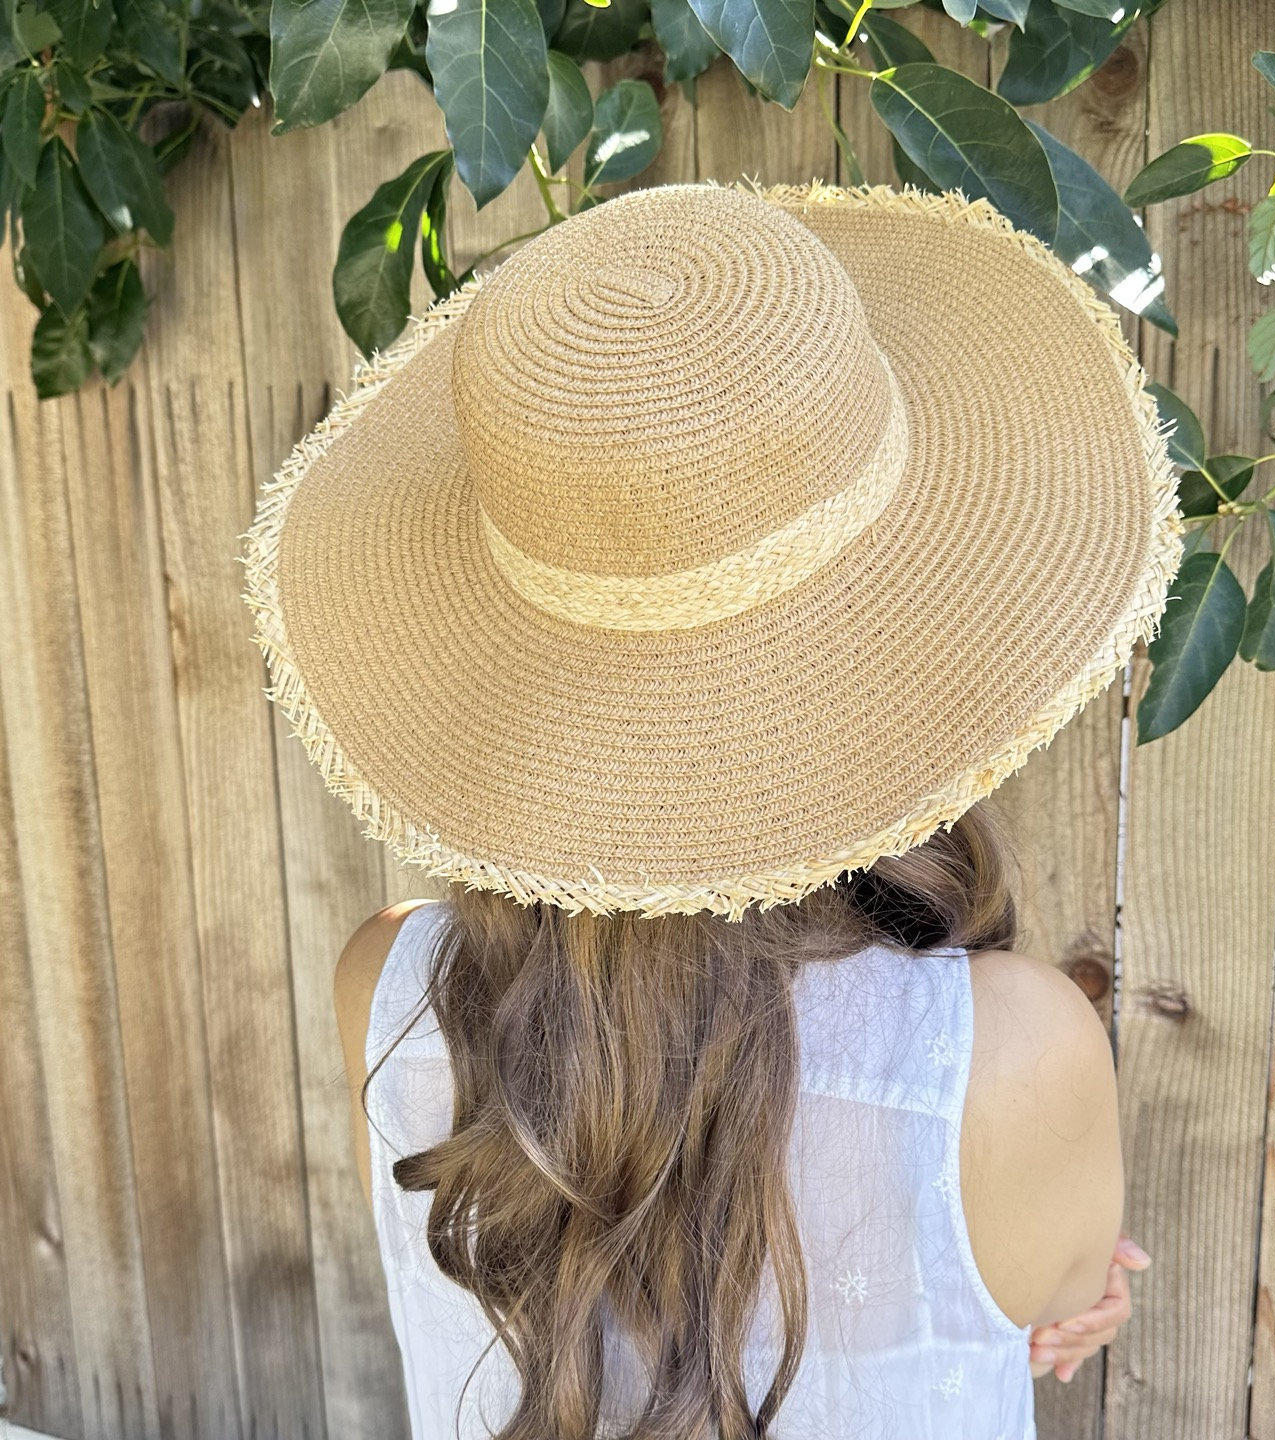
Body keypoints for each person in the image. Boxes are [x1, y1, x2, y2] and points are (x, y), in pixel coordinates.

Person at [241, 180, 1182, 1439]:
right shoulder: (1013, 1059)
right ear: (922, 621)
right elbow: (1056, 1295)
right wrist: (1040, 1278)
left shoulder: (389, 984)